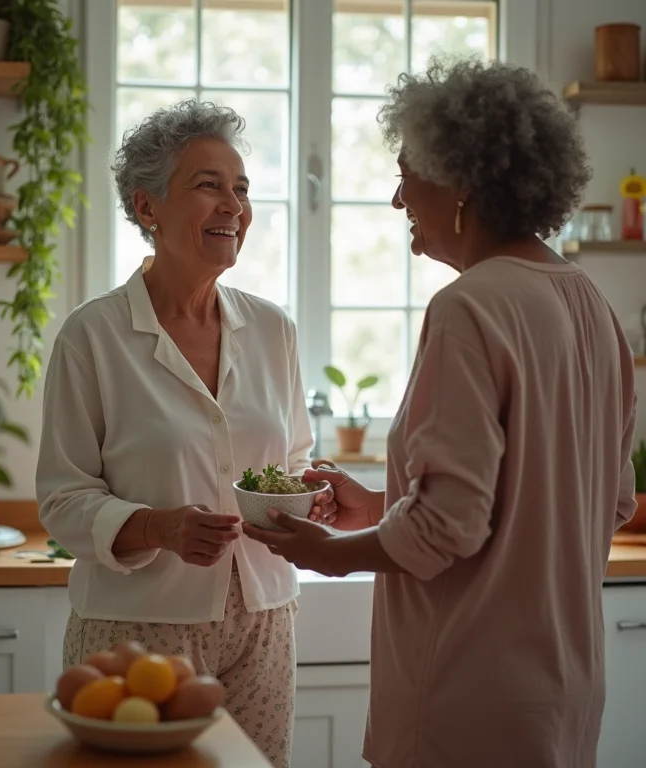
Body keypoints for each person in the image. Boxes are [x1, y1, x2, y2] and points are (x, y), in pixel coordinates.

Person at [244, 58, 638, 768]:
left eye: (407, 173)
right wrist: (384, 504)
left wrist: (327, 554)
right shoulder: (593, 307)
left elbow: (444, 530)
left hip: (463, 697)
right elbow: (595, 502)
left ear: (461, 182)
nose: (398, 198)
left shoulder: (470, 306)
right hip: (563, 696)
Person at [36, 99, 315, 768]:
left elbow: (293, 460)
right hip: (138, 626)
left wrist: (311, 495)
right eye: (209, 185)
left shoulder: (272, 329)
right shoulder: (93, 336)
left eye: (241, 188)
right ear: (147, 207)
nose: (234, 206)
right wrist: (157, 527)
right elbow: (63, 499)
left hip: (265, 619)